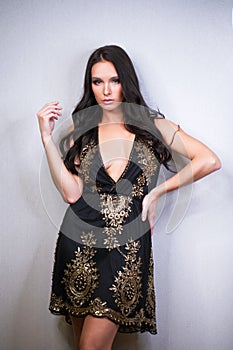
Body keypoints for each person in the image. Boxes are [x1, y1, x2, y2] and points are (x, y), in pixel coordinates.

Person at [37, 45, 221, 350]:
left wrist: (157, 193)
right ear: (90, 85)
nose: (106, 90)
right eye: (97, 82)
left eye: (114, 80)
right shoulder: (78, 129)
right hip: (78, 244)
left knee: (91, 347)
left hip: (126, 251)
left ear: (127, 81)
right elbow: (71, 194)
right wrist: (46, 138)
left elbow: (209, 160)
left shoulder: (155, 127)